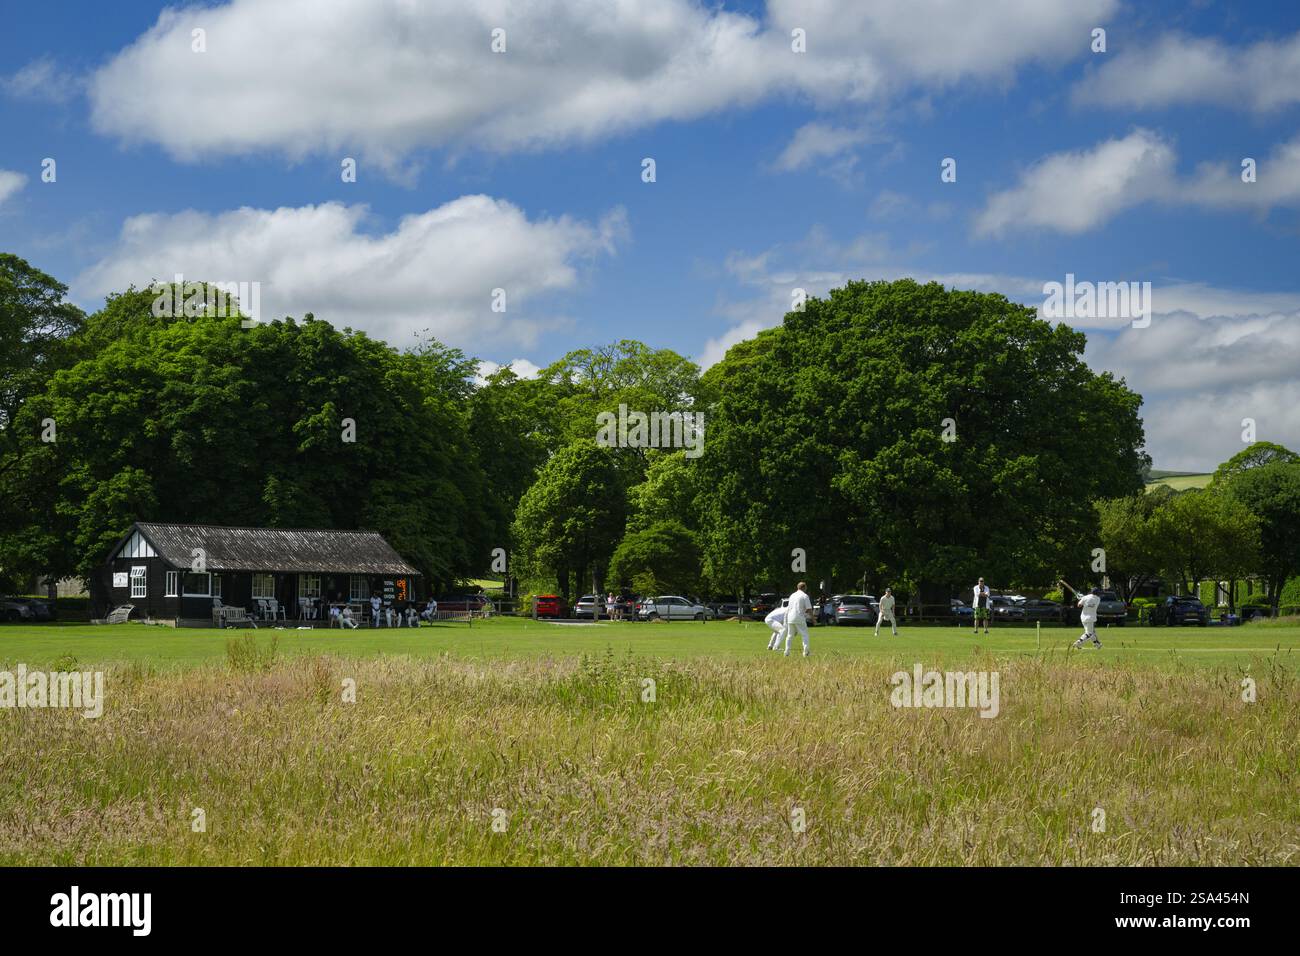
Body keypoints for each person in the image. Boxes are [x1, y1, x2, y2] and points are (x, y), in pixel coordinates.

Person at [780, 582, 813, 658]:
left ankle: (786, 652)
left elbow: (790, 608)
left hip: (790, 617)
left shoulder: (792, 595)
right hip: (799, 617)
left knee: (789, 636)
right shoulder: (804, 596)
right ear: (804, 588)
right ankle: (806, 652)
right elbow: (809, 609)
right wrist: (813, 619)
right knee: (804, 635)